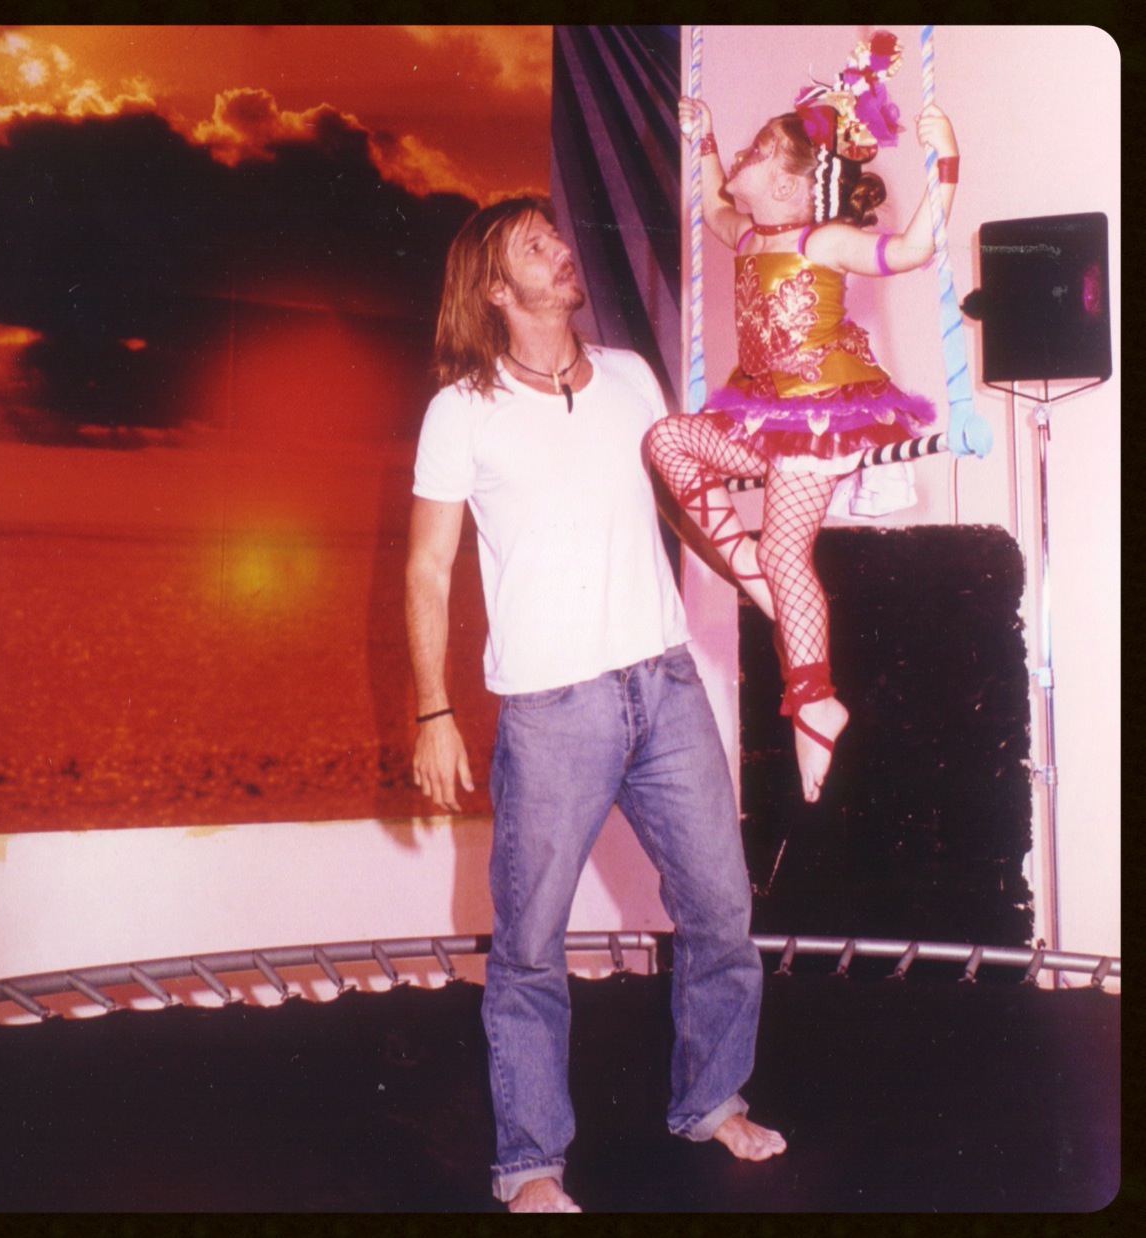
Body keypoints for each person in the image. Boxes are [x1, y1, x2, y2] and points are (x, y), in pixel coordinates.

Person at [406, 196, 785, 1212]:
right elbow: (427, 568)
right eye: (536, 246)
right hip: (550, 710)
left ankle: (711, 1100)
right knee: (530, 948)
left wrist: (766, 580)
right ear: (496, 289)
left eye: (558, 235)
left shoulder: (629, 379)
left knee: (722, 910)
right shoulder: (460, 409)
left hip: (664, 685)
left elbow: (684, 504)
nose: (564, 251)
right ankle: (529, 1164)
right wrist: (433, 713)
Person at [650, 32, 960, 804]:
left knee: (789, 549)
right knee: (668, 441)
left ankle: (815, 698)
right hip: (766, 418)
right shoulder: (749, 234)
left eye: (757, 151)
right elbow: (711, 205)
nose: (742, 160)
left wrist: (946, 163)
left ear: (791, 186)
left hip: (821, 418)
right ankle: (768, 594)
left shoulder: (823, 241)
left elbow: (914, 249)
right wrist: (706, 140)